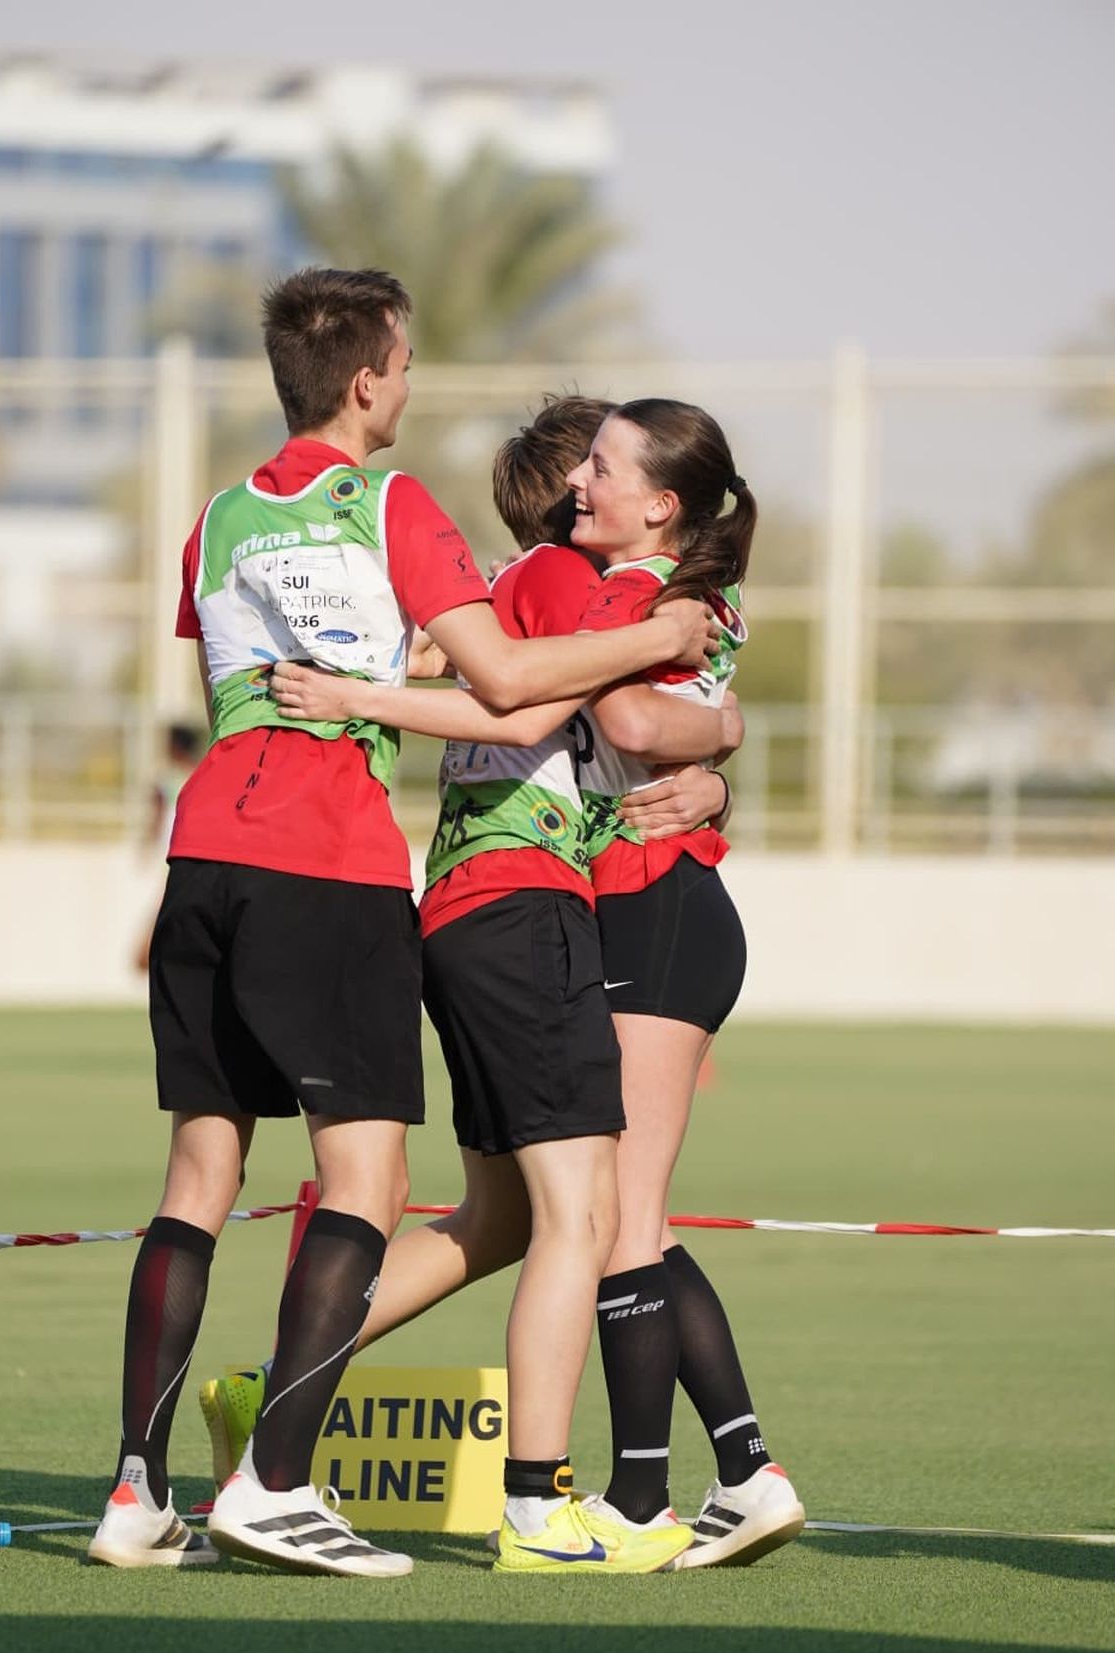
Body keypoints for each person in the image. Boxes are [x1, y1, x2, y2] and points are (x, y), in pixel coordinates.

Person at [85, 272, 722, 1577]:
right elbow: (506, 680)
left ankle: (136, 1495)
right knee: (392, 1187)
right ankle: (292, 1481)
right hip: (335, 867)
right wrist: (671, 652)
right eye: (409, 362)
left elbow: (305, 662)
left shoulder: (213, 521)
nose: (414, 381)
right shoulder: (392, 501)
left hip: (203, 855)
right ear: (371, 379)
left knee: (199, 1184)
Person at [253, 396, 791, 1566]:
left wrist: (716, 750)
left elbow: (617, 724)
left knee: (525, 1216)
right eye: (587, 464)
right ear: (569, 497)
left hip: (547, 902)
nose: (592, 482)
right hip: (559, 904)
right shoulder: (577, 587)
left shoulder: (583, 588)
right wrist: (712, 720)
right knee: (594, 1217)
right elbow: (600, 710)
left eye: (612, 464)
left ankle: (279, 1395)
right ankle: (615, 1500)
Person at [133, 722, 203, 974]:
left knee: (163, 917)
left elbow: (157, 815)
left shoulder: (165, 778)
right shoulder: (201, 771)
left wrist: (146, 846)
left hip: (174, 853)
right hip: (194, 852)